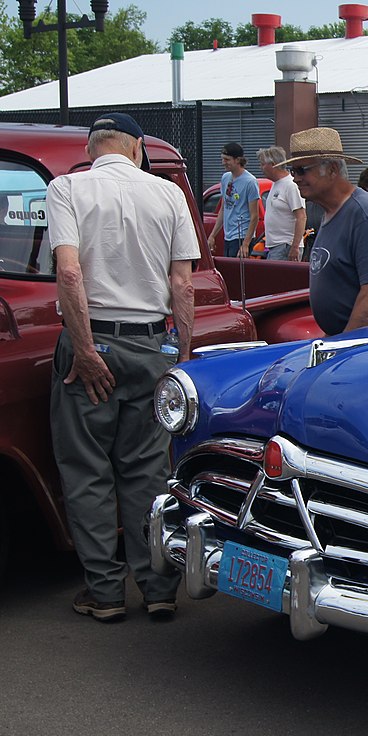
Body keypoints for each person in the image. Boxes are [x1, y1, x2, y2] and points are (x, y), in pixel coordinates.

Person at [46, 112, 199, 622]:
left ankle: (105, 593)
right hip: (151, 342)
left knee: (88, 471)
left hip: (95, 342)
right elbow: (182, 284)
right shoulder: (168, 194)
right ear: (137, 147)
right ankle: (158, 585)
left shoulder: (68, 188)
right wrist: (179, 355)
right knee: (149, 471)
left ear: (92, 150)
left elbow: (69, 272)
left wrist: (85, 350)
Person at [281, 127, 368, 336]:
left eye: (302, 170)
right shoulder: (330, 212)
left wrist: (343, 345)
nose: (295, 178)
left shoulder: (363, 213)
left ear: (332, 170)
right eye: (293, 171)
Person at [207, 142, 260, 259]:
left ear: (237, 160)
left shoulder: (250, 182)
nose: (223, 163)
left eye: (227, 159)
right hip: (228, 235)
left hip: (241, 236)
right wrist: (212, 235)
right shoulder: (226, 177)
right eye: (222, 159)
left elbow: (254, 216)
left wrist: (246, 244)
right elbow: (223, 209)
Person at [257, 145, 305, 261]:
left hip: (286, 245)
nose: (261, 168)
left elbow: (301, 217)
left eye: (263, 164)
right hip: (274, 245)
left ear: (273, 165)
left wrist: (295, 247)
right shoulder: (275, 184)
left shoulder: (291, 185)